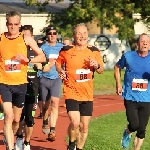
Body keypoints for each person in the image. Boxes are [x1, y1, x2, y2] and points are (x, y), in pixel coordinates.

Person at [0, 11, 46, 150]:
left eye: (15, 24)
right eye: (10, 24)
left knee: (16, 119)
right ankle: (11, 147)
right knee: (8, 116)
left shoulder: (26, 39)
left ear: (19, 24)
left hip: (21, 84)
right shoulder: (1, 39)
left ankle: (9, 138)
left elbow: (42, 57)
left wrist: (28, 60)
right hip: (4, 83)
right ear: (6, 24)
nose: (13, 27)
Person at [56, 23, 104, 150]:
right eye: (79, 33)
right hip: (71, 91)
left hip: (87, 94)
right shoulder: (66, 50)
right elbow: (58, 64)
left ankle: (79, 148)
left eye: (84, 33)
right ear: (74, 36)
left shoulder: (94, 51)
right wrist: (60, 70)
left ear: (88, 35)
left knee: (84, 126)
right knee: (75, 122)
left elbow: (101, 70)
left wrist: (97, 66)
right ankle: (71, 146)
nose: (82, 36)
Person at [114, 33, 150, 150]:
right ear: (137, 44)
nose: (145, 43)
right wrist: (118, 84)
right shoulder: (128, 56)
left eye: (147, 42)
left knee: (142, 130)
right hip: (130, 96)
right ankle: (127, 131)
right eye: (142, 41)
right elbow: (117, 67)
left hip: (147, 98)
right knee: (134, 125)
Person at [38, 25, 64, 141]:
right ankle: (45, 120)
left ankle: (52, 130)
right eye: (50, 33)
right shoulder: (43, 48)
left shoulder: (62, 47)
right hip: (44, 78)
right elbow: (39, 62)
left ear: (57, 34)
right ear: (47, 35)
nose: (52, 35)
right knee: (45, 104)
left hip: (56, 78)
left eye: (54, 33)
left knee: (55, 102)